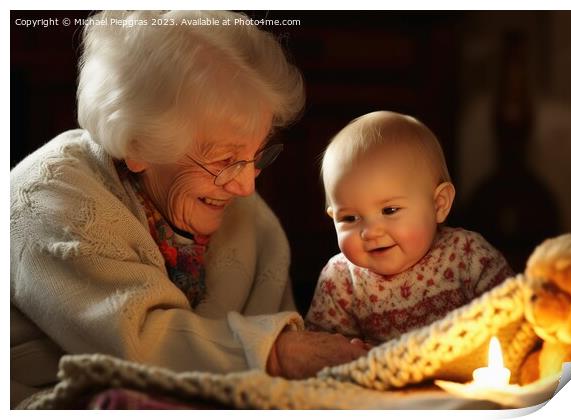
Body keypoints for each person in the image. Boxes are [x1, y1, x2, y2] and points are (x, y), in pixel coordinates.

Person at [10, 10, 367, 408]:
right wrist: (278, 353)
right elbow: (135, 347)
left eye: (257, 155)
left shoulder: (249, 217)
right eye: (224, 159)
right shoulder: (48, 198)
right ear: (139, 145)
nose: (247, 185)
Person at [305, 111, 514, 343]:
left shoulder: (467, 256)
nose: (370, 232)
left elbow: (513, 314)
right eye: (350, 218)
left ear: (439, 204)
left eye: (389, 211)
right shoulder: (340, 279)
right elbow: (319, 353)